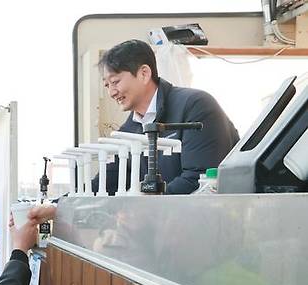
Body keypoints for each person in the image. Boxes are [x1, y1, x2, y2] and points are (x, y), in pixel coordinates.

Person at [94, 39, 239, 194]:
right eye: (107, 85)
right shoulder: (128, 131)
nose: (112, 92)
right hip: (161, 215)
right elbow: (108, 180)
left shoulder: (195, 106)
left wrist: (141, 206)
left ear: (144, 74)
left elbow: (198, 180)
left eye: (115, 82)